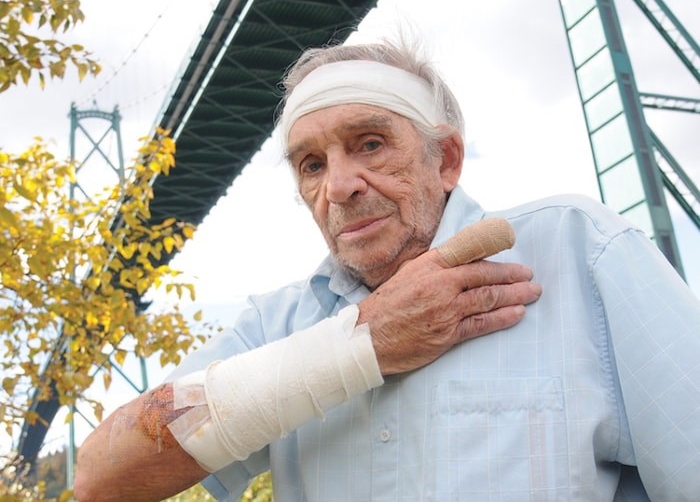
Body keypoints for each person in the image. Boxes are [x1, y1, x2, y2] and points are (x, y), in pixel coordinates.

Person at [74, 37, 700, 502]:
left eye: (369, 144)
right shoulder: (278, 326)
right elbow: (101, 477)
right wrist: (362, 342)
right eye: (311, 164)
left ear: (446, 159)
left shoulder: (576, 251)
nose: (339, 187)